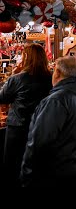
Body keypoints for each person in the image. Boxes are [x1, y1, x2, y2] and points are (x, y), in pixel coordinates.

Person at [20, 56, 76, 190]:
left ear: (57, 73)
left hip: (54, 176)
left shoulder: (56, 101)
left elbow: (40, 142)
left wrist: (27, 175)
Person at [0, 44, 52, 188]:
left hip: (18, 127)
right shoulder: (52, 77)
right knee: (37, 163)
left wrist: (11, 77)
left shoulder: (17, 79)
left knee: (14, 162)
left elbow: (2, 98)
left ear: (26, 57)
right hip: (42, 126)